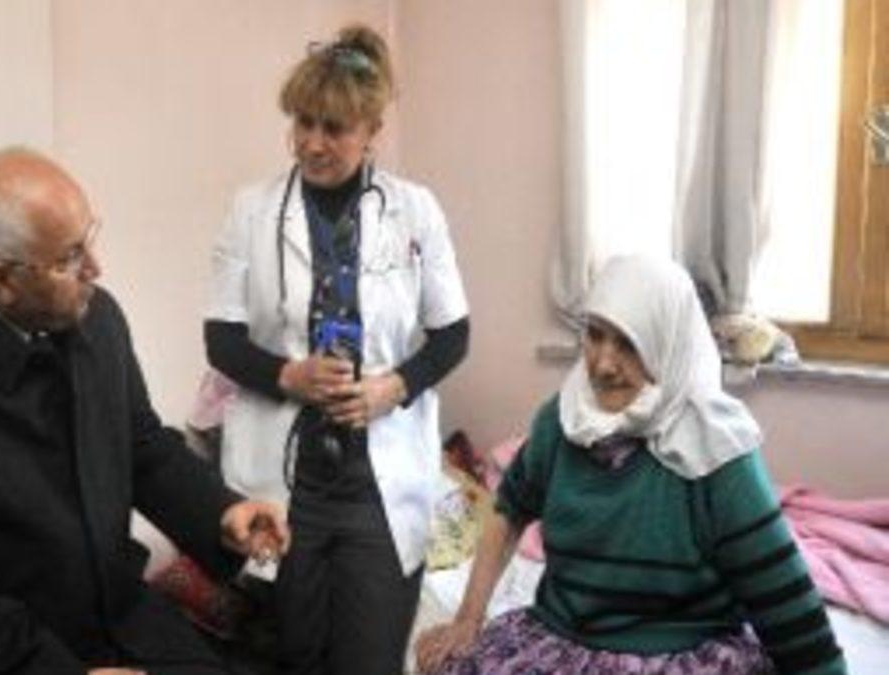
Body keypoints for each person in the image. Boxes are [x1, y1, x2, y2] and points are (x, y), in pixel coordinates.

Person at [0, 147, 289, 675]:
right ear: (3, 280)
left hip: (123, 615)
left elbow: (141, 447)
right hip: (16, 653)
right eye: (68, 259)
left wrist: (221, 513)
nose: (95, 268)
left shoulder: (97, 319)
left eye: (90, 239)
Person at [414, 256, 846, 675]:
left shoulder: (716, 447)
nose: (603, 365)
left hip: (678, 652)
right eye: (595, 335)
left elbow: (785, 599)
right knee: (439, 661)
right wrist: (468, 618)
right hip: (562, 637)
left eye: (628, 344)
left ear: (667, 345)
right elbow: (507, 511)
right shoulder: (562, 420)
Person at [204, 24, 470, 675]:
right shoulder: (250, 211)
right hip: (286, 476)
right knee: (293, 654)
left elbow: (452, 334)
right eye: (303, 123)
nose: (312, 143)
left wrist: (391, 388)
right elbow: (222, 339)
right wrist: (288, 374)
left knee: (369, 658)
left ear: (371, 128)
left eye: (334, 128)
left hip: (379, 481)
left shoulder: (415, 210)